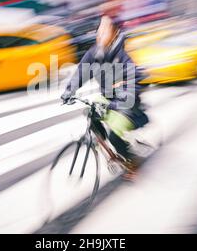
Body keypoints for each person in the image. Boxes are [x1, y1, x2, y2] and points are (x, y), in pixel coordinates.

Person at [61, 14, 149, 178]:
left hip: (127, 105)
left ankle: (130, 162)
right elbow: (81, 72)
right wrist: (69, 90)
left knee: (114, 135)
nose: (100, 33)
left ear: (115, 33)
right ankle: (104, 145)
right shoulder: (94, 53)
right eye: (99, 29)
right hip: (108, 99)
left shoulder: (123, 58)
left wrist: (118, 100)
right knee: (91, 111)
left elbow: (137, 82)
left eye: (105, 30)